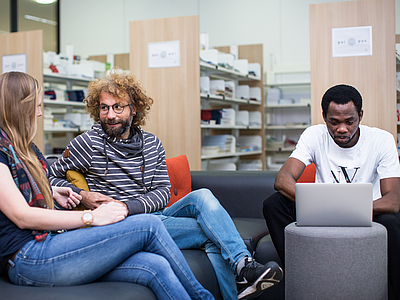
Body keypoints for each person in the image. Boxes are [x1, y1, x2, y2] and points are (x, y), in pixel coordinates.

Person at [49, 70, 283, 300]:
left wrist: (128, 206)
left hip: (152, 214)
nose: (110, 115)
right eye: (104, 107)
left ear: (134, 108)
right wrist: (83, 195)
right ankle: (243, 271)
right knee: (214, 236)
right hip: (122, 225)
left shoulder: (151, 144)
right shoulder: (88, 143)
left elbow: (162, 192)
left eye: (118, 107)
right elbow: (50, 176)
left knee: (202, 195)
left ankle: (244, 268)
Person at [0, 71, 215, 300]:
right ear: (19, 107)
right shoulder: (2, 150)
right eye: (37, 106)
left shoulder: (26, 149)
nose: (40, 113)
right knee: (149, 225)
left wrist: (54, 192)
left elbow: (18, 190)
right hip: (28, 258)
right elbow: (22, 216)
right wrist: (91, 218)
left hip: (50, 241)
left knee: (155, 265)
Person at [263, 84, 400, 300]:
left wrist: (347, 208)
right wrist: (318, 205)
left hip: (368, 213)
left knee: (392, 222)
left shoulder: (381, 140)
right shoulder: (314, 135)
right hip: (320, 214)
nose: (342, 129)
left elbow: (392, 201)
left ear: (360, 115)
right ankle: (300, 272)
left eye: (349, 121)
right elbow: (282, 180)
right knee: (273, 204)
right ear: (324, 117)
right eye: (334, 122)